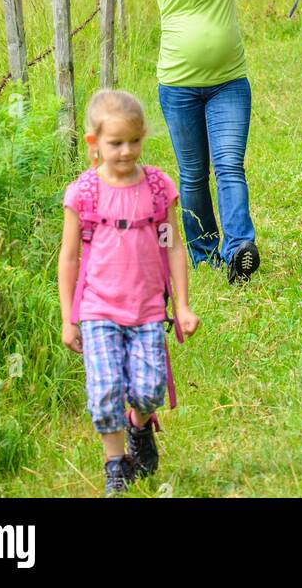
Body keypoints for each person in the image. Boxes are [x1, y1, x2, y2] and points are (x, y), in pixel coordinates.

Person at [58, 89, 199, 497]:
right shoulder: (83, 194)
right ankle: (115, 465)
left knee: (150, 389)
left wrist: (184, 305)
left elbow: (172, 244)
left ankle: (140, 427)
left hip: (148, 310)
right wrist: (70, 318)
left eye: (134, 142)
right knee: (104, 392)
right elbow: (68, 259)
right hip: (98, 309)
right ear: (94, 143)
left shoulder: (157, 189)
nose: (125, 151)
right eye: (115, 143)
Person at [145, 0, 282, 282]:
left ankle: (240, 247)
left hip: (229, 79)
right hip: (179, 83)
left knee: (229, 165)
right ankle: (205, 253)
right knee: (192, 174)